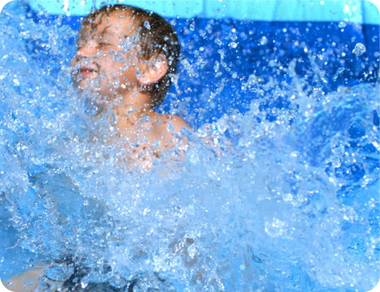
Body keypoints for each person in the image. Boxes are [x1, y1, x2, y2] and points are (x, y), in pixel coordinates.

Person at [0, 4, 190, 291]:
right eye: (80, 44)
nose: (83, 52)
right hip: (77, 263)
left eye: (102, 43)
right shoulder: (73, 138)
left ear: (151, 68)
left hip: (150, 271)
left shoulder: (167, 130)